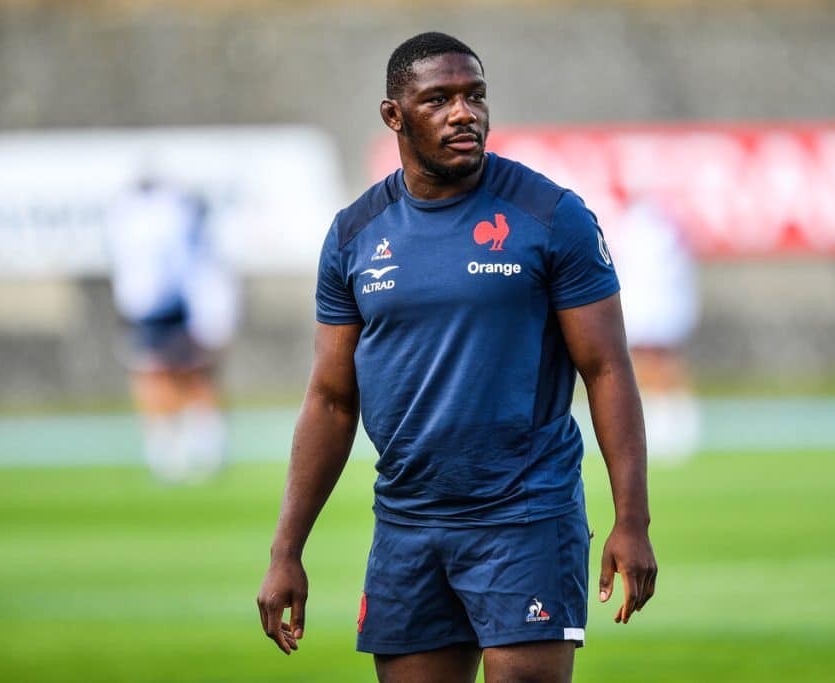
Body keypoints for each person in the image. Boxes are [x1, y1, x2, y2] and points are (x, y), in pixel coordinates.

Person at [256, 32, 657, 683]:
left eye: (474, 96)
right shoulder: (355, 234)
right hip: (408, 523)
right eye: (438, 99)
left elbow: (608, 368)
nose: (463, 112)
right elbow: (330, 399)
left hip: (525, 512)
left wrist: (631, 519)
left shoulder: (550, 217)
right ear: (394, 115)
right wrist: (286, 550)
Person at [106, 176, 236, 483]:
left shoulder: (170, 217)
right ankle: (170, 447)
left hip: (176, 303)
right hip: (152, 305)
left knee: (188, 373)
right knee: (156, 373)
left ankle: (202, 445)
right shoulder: (136, 217)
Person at [612, 193, 701, 462]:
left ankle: (677, 419)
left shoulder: (655, 230)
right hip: (647, 304)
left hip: (657, 304)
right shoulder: (631, 227)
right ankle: (659, 418)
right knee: (644, 361)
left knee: (661, 361)